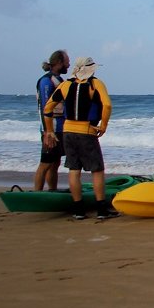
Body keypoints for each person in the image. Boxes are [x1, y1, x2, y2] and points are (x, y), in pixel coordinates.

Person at [43, 57, 118, 220]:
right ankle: (101, 210)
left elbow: (47, 108)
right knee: (97, 170)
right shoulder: (95, 84)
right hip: (87, 131)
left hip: (68, 131)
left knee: (74, 169)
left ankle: (78, 210)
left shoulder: (65, 85)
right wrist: (103, 125)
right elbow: (107, 105)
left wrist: (49, 130)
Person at [34, 49, 69, 191]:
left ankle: (52, 190)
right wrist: (48, 132)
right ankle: (37, 194)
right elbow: (44, 107)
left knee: (55, 163)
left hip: (60, 128)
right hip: (51, 129)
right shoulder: (46, 81)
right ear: (59, 62)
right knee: (45, 163)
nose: (69, 64)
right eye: (67, 61)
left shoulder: (59, 80)